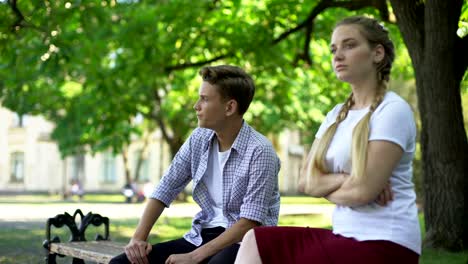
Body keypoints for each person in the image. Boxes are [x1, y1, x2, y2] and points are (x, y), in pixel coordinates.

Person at [234, 16, 421, 264]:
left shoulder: (392, 110)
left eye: (350, 45)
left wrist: (335, 186)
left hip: (385, 243)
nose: (338, 55)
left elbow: (362, 192)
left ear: (377, 53)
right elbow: (305, 181)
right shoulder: (336, 114)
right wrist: (346, 179)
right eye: (334, 49)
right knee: (254, 240)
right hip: (344, 236)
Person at [110, 65, 281, 264]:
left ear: (230, 107)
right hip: (203, 235)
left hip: (244, 242)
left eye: (205, 99)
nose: (196, 106)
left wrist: (193, 257)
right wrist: (138, 239)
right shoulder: (199, 138)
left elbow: (249, 223)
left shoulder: (260, 151)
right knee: (121, 263)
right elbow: (166, 187)